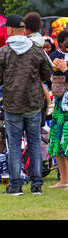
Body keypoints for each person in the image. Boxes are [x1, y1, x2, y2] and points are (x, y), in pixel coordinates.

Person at [0, 14, 52, 195]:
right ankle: (36, 185)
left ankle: (16, 185)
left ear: (9, 30)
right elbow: (47, 74)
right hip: (33, 104)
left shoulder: (3, 52)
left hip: (12, 105)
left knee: (15, 144)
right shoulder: (36, 50)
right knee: (34, 143)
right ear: (23, 30)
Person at [47, 58, 68, 189]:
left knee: (66, 142)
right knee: (56, 141)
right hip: (60, 106)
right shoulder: (61, 58)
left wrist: (65, 70)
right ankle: (64, 179)